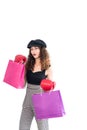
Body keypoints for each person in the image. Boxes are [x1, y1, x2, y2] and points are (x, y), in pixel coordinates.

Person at [19, 39, 53, 130]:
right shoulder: (28, 65)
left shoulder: (47, 67)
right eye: (32, 49)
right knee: (23, 127)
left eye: (36, 48)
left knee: (43, 128)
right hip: (28, 99)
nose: (33, 51)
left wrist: (50, 86)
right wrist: (20, 68)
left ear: (42, 50)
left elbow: (50, 90)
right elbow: (22, 85)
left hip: (41, 100)